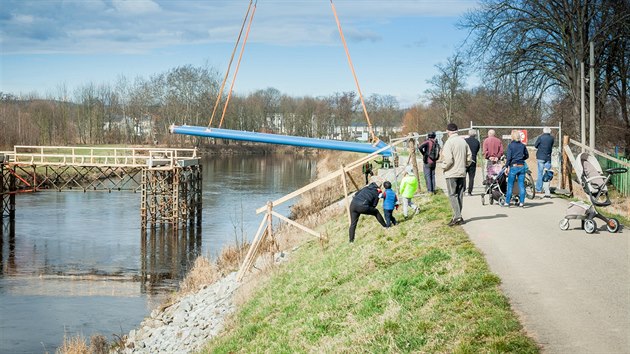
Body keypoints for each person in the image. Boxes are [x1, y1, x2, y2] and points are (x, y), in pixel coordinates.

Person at [440, 123, 472, 226]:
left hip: (451, 173)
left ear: (448, 131)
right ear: (457, 130)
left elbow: (448, 160)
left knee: (452, 195)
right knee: (460, 194)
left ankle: (457, 216)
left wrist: (443, 166)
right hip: (462, 172)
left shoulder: (449, 143)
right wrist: (465, 165)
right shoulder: (463, 142)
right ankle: (457, 216)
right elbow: (469, 157)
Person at [348, 177, 387, 242]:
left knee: (353, 223)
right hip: (362, 206)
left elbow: (356, 194)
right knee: (376, 212)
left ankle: (351, 241)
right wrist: (368, 207)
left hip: (353, 204)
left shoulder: (365, 188)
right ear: (379, 188)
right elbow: (374, 205)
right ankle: (385, 226)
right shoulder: (376, 193)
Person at [503, 129, 530, 207]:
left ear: (512, 137)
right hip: (522, 166)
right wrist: (521, 159)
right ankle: (522, 202)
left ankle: (507, 202)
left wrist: (506, 166)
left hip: (513, 166)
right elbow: (527, 155)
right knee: (521, 185)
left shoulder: (511, 146)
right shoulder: (522, 145)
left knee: (510, 184)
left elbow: (509, 157)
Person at [535, 127, 554, 196]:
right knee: (547, 173)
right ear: (549, 131)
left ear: (543, 131)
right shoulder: (552, 138)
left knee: (540, 173)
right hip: (548, 157)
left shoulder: (540, 137)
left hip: (540, 157)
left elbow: (535, 145)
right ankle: (546, 190)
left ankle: (539, 189)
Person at [464, 129, 480, 196]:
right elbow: (477, 150)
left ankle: (463, 190)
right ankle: (470, 191)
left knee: (463, 176)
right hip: (473, 160)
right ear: (475, 134)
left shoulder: (465, 141)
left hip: (465, 160)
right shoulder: (477, 142)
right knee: (471, 177)